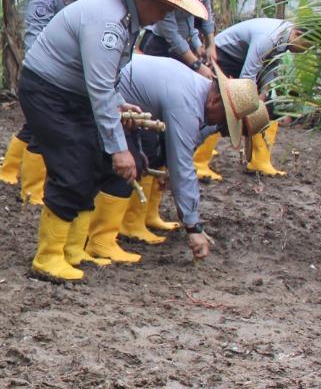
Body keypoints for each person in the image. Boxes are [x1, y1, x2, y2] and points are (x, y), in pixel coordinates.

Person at [19, 0, 208, 281]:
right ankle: (48, 256)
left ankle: (73, 250)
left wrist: (120, 107)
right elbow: (100, 85)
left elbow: (106, 81)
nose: (164, 17)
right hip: (49, 91)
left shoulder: (127, 16)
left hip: (74, 93)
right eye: (164, 8)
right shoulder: (109, 21)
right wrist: (119, 148)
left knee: (94, 163)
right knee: (72, 165)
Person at [1, 0, 119, 205]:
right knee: (40, 130)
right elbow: (35, 36)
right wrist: (44, 78)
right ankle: (29, 188)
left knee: (37, 128)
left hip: (62, 71)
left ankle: (13, 172)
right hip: (46, 73)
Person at [112, 55, 264, 259]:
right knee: (129, 164)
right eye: (226, 119)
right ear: (216, 100)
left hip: (127, 99)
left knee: (151, 157)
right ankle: (102, 237)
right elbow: (182, 164)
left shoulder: (200, 94)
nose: (222, 128)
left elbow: (186, 147)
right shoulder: (187, 103)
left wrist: (169, 170)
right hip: (109, 92)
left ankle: (128, 223)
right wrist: (193, 227)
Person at [151, 0, 236, 178]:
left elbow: (199, 16)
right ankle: (162, 159)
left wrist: (207, 44)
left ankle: (167, 163)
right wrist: (196, 65)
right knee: (165, 109)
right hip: (160, 46)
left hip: (186, 44)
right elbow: (170, 31)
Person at [214, 17, 309, 177]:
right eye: (306, 46)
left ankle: (259, 161)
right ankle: (199, 160)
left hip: (243, 59)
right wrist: (251, 104)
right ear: (297, 34)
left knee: (267, 108)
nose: (305, 51)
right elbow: (247, 75)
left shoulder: (282, 41)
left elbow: (271, 68)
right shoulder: (268, 37)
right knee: (220, 106)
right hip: (224, 54)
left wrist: (263, 97)